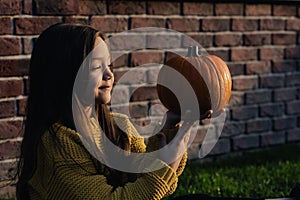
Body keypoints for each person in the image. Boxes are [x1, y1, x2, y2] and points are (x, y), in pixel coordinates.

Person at [16, 23, 213, 200]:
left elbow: (141, 178)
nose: (109, 74)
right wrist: (168, 160)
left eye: (109, 65)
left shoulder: (118, 126)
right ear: (64, 75)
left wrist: (172, 130)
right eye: (96, 67)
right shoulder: (57, 144)